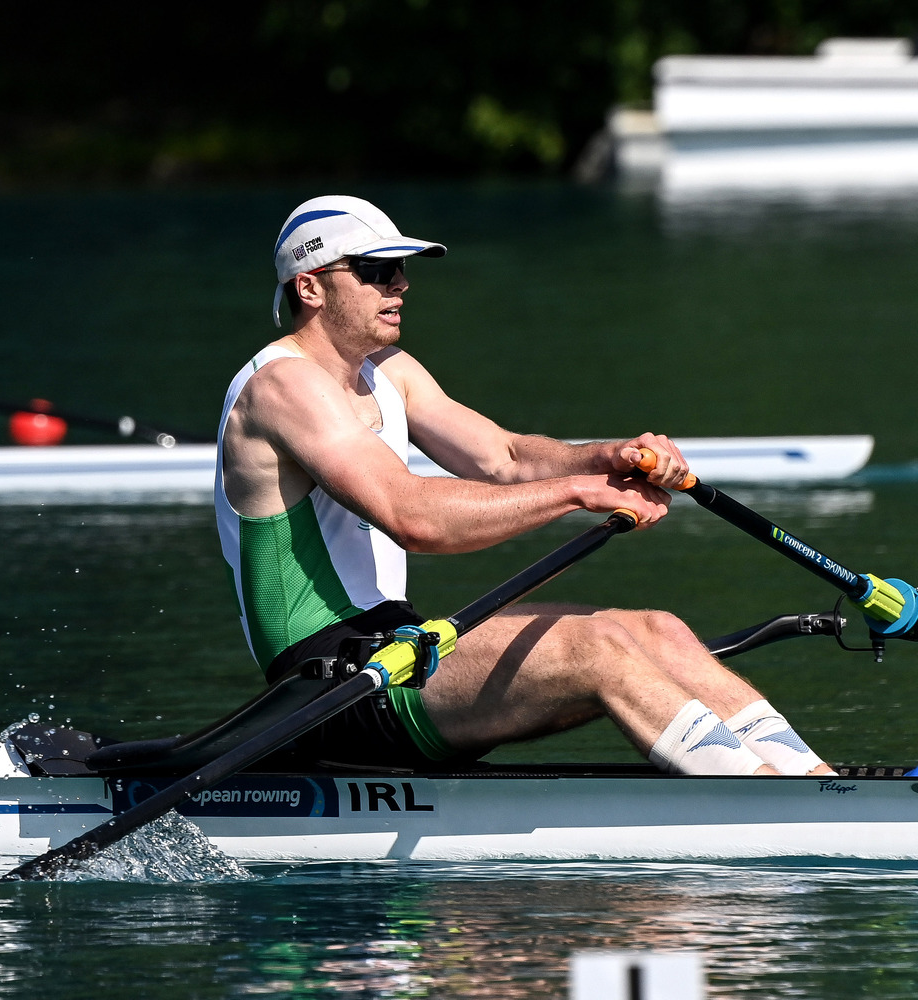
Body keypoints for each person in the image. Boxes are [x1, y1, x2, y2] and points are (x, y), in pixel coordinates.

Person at [214, 194, 834, 777]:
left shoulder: (388, 373)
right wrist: (579, 493)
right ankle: (767, 801)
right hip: (327, 687)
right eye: (377, 269)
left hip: (397, 647)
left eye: (401, 269)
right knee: (594, 649)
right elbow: (412, 517)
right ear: (310, 285)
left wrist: (612, 455)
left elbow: (505, 457)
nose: (400, 284)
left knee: (657, 631)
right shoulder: (282, 387)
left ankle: (813, 784)